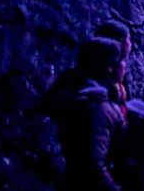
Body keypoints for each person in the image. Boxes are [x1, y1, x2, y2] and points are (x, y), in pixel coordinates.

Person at [44, 38, 127, 191]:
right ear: (109, 67)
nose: (123, 66)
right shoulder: (98, 108)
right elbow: (93, 164)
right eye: (119, 62)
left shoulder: (75, 94)